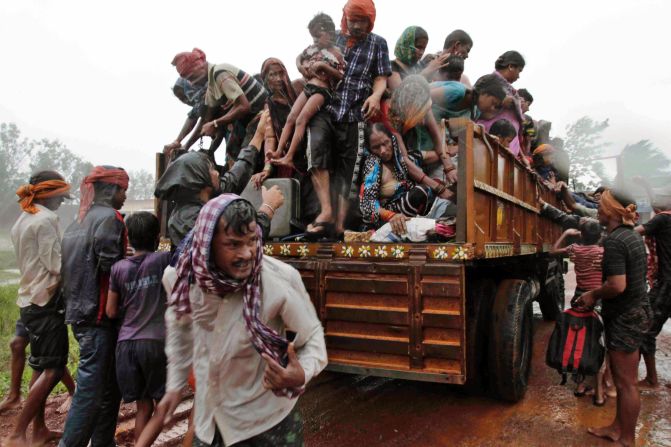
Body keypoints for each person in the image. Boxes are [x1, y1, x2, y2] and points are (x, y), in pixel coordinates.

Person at [156, 194, 327, 446]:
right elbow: (181, 332)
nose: (247, 253)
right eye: (233, 244)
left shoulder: (279, 280)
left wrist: (301, 373)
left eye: (252, 241)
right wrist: (175, 386)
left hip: (269, 425)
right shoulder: (181, 280)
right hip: (210, 423)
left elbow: (313, 339)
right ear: (207, 244)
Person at [59, 166, 129, 447]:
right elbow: (111, 268)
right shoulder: (111, 219)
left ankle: (103, 442)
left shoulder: (77, 222)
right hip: (100, 316)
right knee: (89, 389)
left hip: (79, 312)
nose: (125, 196)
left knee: (109, 386)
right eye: (123, 190)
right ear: (111, 190)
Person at [575, 190, 651, 447]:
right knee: (621, 380)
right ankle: (617, 428)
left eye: (601, 205)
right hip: (635, 312)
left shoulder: (616, 241)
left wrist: (593, 294)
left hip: (625, 316)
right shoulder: (630, 236)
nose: (597, 209)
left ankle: (627, 438)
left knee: (627, 383)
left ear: (610, 210)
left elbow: (617, 285)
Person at [4, 172, 72, 447]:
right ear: (49, 195)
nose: (61, 203)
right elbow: (56, 265)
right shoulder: (46, 219)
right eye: (60, 198)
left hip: (30, 300)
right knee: (53, 369)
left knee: (40, 365)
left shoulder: (23, 219)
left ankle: (39, 430)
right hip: (46, 303)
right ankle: (17, 434)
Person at [319, 0, 392, 237]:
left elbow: (381, 78)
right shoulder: (334, 39)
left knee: (349, 170)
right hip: (328, 108)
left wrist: (375, 95)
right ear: (345, 18)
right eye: (353, 20)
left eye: (363, 21)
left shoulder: (378, 43)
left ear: (370, 21)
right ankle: (323, 217)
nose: (357, 25)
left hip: (355, 112)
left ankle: (340, 226)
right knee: (322, 161)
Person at [155, 114, 283, 247]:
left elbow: (234, 178)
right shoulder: (193, 220)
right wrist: (268, 207)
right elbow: (244, 241)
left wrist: (258, 135)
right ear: (200, 180)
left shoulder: (199, 200)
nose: (217, 172)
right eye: (210, 169)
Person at [105, 212, 171, 444]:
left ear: (129, 238)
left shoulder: (118, 269)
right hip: (154, 343)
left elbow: (111, 311)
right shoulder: (163, 260)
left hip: (126, 346)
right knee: (165, 405)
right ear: (157, 238)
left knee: (143, 405)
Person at [272, 13, 345, 171]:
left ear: (330, 34)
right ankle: (278, 151)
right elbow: (299, 57)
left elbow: (342, 76)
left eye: (318, 37)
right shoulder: (312, 49)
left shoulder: (337, 53)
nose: (316, 41)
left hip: (323, 90)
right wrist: (300, 65)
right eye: (313, 38)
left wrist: (325, 67)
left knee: (301, 119)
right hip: (308, 87)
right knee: (291, 117)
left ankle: (289, 156)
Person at [171, 48, 268, 163]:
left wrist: (215, 123)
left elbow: (243, 106)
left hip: (263, 114)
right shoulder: (212, 87)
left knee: (244, 157)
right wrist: (185, 146)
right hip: (248, 121)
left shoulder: (219, 73)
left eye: (191, 77)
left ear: (200, 67)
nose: (193, 83)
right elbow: (204, 120)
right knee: (233, 151)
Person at [551, 218, 609, 406]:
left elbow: (553, 251)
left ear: (581, 235)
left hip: (579, 297)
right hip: (599, 297)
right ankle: (600, 392)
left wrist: (567, 234)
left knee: (582, 340)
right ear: (599, 236)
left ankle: (580, 385)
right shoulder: (602, 252)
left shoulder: (574, 249)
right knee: (600, 343)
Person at [360, 123, 452, 232]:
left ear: (392, 140)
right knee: (420, 192)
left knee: (455, 213)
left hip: (420, 213)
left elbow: (439, 154)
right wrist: (391, 216)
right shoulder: (373, 166)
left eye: (386, 143)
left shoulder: (405, 160)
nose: (383, 150)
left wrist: (450, 160)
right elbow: (367, 203)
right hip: (393, 220)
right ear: (369, 149)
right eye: (376, 147)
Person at [636, 204, 671, 387]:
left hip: (667, 285)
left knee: (646, 329)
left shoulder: (662, 218)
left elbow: (634, 233)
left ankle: (651, 378)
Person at [477, 51, 526, 159]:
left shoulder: (512, 92)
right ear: (511, 66)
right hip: (489, 146)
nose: (519, 76)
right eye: (519, 71)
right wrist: (501, 103)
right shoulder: (490, 81)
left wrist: (521, 155)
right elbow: (477, 108)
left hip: (506, 152)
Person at [163, 77, 208, 159]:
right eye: (181, 99)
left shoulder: (207, 94)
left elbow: (204, 121)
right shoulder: (199, 104)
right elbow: (193, 115)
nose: (185, 101)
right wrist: (177, 141)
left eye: (184, 97)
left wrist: (186, 145)